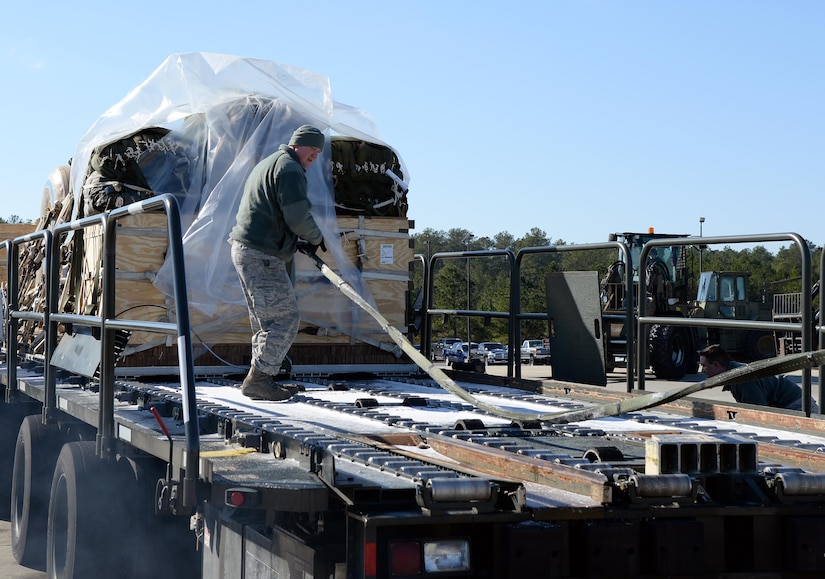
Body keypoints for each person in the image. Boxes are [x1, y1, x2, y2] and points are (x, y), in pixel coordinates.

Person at [229, 125, 328, 400]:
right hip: (261, 254)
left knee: (265, 321)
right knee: (284, 319)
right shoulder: (290, 169)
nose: (315, 156)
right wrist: (316, 236)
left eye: (319, 152)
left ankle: (263, 377)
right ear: (299, 144)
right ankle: (259, 379)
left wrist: (291, 240)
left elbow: (272, 211)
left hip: (247, 250)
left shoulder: (270, 163)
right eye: (312, 149)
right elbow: (297, 215)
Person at [698, 344, 819, 412]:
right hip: (792, 403)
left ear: (716, 365)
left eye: (704, 366)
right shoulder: (735, 374)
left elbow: (759, 412)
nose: (702, 370)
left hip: (796, 406)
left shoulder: (741, 380)